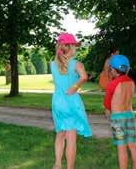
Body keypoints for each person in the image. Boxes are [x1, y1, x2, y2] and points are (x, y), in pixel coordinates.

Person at [51, 33, 92, 169]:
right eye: (75, 45)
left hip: (57, 102)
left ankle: (57, 164)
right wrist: (75, 87)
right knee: (71, 137)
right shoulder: (76, 64)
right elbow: (84, 77)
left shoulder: (52, 64)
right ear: (71, 47)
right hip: (70, 102)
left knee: (60, 134)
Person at [103, 55, 136, 169]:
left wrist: (108, 115)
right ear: (127, 69)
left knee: (121, 147)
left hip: (118, 119)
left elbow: (107, 105)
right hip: (130, 116)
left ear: (113, 70)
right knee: (132, 144)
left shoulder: (112, 84)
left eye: (110, 69)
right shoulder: (132, 82)